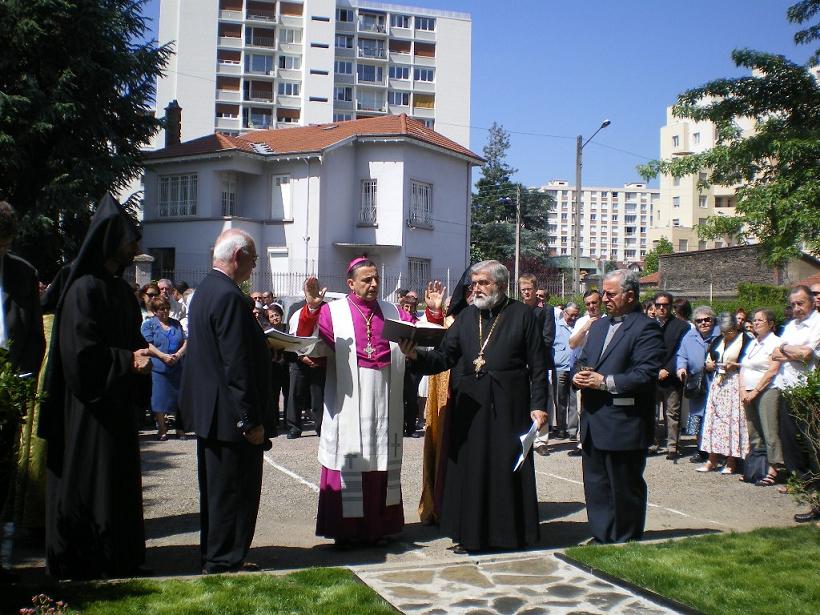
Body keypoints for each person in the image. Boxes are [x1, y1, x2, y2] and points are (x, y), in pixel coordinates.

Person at [39, 194, 152, 579]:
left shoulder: (119, 290)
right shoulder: (83, 288)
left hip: (115, 403)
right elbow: (80, 355)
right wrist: (126, 361)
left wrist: (138, 355)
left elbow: (132, 336)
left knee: (117, 481)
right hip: (87, 408)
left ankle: (119, 554)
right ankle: (87, 556)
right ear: (109, 241)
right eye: (129, 241)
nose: (135, 248)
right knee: (91, 478)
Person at [400, 260, 548, 552]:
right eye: (474, 283)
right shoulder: (467, 317)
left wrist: (540, 405)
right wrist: (415, 355)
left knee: (506, 470)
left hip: (510, 406)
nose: (476, 288)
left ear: (501, 285)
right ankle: (470, 535)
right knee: (471, 470)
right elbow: (444, 358)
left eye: (483, 283)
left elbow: (539, 365)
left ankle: (508, 535)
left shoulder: (522, 315)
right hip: (470, 408)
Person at [296, 258, 444, 546]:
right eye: (366, 279)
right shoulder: (333, 311)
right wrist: (312, 308)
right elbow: (307, 343)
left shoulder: (392, 311)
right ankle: (347, 531)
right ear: (350, 283)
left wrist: (434, 312)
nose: (374, 284)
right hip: (349, 395)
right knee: (349, 459)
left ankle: (379, 528)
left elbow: (423, 336)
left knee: (381, 460)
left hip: (385, 393)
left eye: (376, 278)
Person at [179, 229, 271, 574]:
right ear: (238, 257)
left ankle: (216, 554)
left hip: (212, 413)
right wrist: (250, 419)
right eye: (254, 259)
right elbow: (236, 362)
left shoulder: (205, 291)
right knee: (234, 492)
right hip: (231, 416)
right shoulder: (230, 297)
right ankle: (225, 558)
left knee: (217, 492)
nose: (254, 266)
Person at [572, 269, 664, 544]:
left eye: (610, 294)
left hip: (623, 421)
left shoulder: (645, 327)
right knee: (597, 485)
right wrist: (579, 376)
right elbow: (584, 360)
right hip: (593, 420)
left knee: (624, 486)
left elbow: (645, 373)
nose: (603, 299)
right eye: (603, 293)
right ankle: (602, 536)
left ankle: (625, 537)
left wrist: (605, 382)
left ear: (630, 296)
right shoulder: (598, 326)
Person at [0, 201, 46, 580]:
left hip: (10, 385)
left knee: (5, 468)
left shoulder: (20, 273)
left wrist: (23, 379)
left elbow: (33, 337)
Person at [418, 269, 472, 525]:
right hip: (450, 398)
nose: (476, 293)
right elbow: (438, 342)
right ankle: (442, 505)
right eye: (471, 288)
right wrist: (435, 313)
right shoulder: (453, 320)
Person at [771, 286, 820, 523]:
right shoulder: (791, 326)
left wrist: (786, 350)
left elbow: (807, 355)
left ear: (811, 302)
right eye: (793, 305)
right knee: (789, 441)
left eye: (801, 303)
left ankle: (815, 498)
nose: (796, 308)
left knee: (813, 445)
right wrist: (790, 350)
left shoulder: (818, 323)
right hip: (788, 389)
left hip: (808, 391)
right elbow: (775, 354)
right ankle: (805, 486)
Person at [696, 312, 751, 475]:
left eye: (729, 331)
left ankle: (731, 461)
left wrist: (735, 365)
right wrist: (710, 365)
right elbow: (708, 360)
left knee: (731, 422)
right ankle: (711, 459)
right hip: (718, 384)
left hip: (734, 383)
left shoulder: (746, 341)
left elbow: (751, 363)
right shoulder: (717, 340)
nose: (726, 335)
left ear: (736, 327)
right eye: (723, 331)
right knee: (714, 422)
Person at [739, 309, 783, 485]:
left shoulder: (776, 342)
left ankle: (774, 468)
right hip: (748, 390)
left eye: (760, 320)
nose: (755, 323)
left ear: (771, 324)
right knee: (753, 431)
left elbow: (773, 369)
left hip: (766, 391)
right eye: (754, 320)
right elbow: (744, 366)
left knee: (769, 430)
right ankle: (756, 467)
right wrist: (743, 389)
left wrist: (755, 391)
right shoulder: (754, 342)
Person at [676, 306, 721, 463]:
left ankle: (716, 450)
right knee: (696, 416)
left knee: (716, 417)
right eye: (699, 320)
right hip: (696, 382)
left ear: (713, 320)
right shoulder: (689, 336)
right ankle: (701, 449)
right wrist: (681, 368)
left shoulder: (721, 335)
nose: (703, 323)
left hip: (717, 383)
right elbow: (681, 355)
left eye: (707, 319)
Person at [141, 295, 187, 441]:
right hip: (158, 367)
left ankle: (180, 428)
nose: (165, 311)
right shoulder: (149, 325)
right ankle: (162, 428)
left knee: (180, 399)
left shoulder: (176, 323)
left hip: (177, 366)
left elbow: (186, 340)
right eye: (161, 309)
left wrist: (178, 355)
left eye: (167, 308)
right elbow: (148, 344)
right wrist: (162, 356)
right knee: (159, 398)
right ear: (155, 311)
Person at [518, 273, 555, 446]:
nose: (526, 292)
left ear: (535, 289)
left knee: (541, 397)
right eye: (523, 289)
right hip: (520, 363)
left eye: (529, 289)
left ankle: (541, 440)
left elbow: (548, 338)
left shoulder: (546, 310)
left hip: (540, 362)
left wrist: (531, 354)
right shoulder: (517, 309)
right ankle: (524, 435)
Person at [286, 294, 330, 440]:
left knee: (318, 396)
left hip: (320, 360)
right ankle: (294, 427)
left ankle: (320, 427)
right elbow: (292, 336)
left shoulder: (328, 309)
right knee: (295, 394)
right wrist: (301, 356)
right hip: (300, 360)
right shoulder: (296, 309)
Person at [653, 292, 690, 460]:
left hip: (672, 377)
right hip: (652, 376)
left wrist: (667, 369)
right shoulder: (648, 325)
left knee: (672, 413)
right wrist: (654, 370)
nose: (662, 308)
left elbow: (682, 351)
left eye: (665, 305)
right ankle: (652, 443)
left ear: (671, 306)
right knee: (651, 413)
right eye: (659, 305)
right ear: (654, 306)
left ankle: (672, 446)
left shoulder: (682, 326)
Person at [567, 289, 603, 457]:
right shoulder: (582, 321)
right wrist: (586, 327)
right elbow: (572, 344)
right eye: (588, 304)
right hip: (584, 367)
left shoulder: (607, 320)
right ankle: (582, 442)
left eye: (594, 303)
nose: (591, 306)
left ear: (600, 302)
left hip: (603, 368)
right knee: (582, 407)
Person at [553, 302, 580, 440]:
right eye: (571, 315)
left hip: (575, 368)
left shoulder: (579, 326)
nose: (574, 318)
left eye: (576, 315)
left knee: (574, 401)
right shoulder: (555, 326)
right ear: (564, 313)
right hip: (560, 368)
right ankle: (561, 428)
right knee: (560, 400)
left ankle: (573, 430)